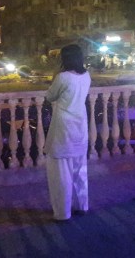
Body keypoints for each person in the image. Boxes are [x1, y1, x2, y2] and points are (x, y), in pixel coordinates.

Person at [44, 44, 92, 222]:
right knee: (80, 169)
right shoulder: (86, 76)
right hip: (80, 125)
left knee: (61, 172)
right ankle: (82, 205)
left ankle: (63, 213)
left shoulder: (63, 77)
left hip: (63, 128)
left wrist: (55, 75)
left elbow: (50, 96)